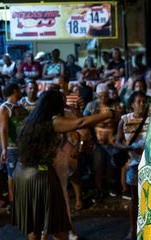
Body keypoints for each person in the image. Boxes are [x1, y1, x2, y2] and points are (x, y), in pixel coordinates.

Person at [13, 90, 114, 240]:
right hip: (40, 175)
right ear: (55, 105)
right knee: (58, 226)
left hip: (22, 174)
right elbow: (81, 123)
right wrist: (108, 114)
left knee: (34, 225)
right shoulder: (53, 122)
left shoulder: (30, 121)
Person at [115, 91, 149, 240]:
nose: (142, 104)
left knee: (149, 197)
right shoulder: (125, 120)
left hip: (149, 164)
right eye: (139, 102)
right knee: (135, 198)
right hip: (133, 164)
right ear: (132, 104)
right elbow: (117, 142)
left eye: (144, 102)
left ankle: (148, 228)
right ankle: (133, 229)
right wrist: (130, 149)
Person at [0, 83, 28, 204]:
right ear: (15, 91)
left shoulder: (20, 106)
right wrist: (4, 150)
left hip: (24, 146)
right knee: (12, 175)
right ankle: (13, 201)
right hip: (12, 147)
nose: (21, 92)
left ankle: (23, 200)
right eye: (19, 90)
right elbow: (3, 130)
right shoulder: (4, 108)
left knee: (24, 174)